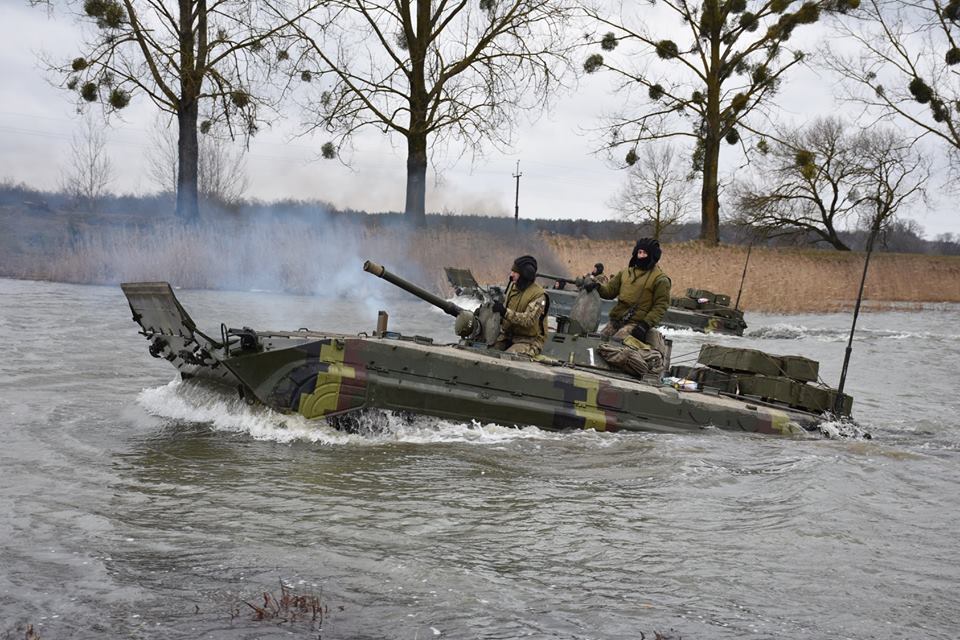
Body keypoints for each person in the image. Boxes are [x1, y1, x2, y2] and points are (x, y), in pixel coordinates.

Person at [584, 238, 671, 344]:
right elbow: (610, 291)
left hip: (636, 324)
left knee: (615, 344)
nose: (641, 256)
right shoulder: (625, 273)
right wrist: (597, 287)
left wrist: (645, 325)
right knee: (594, 341)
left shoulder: (660, 279)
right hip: (617, 320)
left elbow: (661, 306)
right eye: (639, 252)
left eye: (645, 253)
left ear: (652, 255)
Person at [491, 255, 549, 357]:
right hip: (508, 336)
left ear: (525, 275)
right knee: (488, 351)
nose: (511, 275)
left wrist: (505, 312)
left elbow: (529, 320)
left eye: (515, 272)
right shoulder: (513, 287)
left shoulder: (539, 295)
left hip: (528, 341)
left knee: (508, 358)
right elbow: (504, 309)